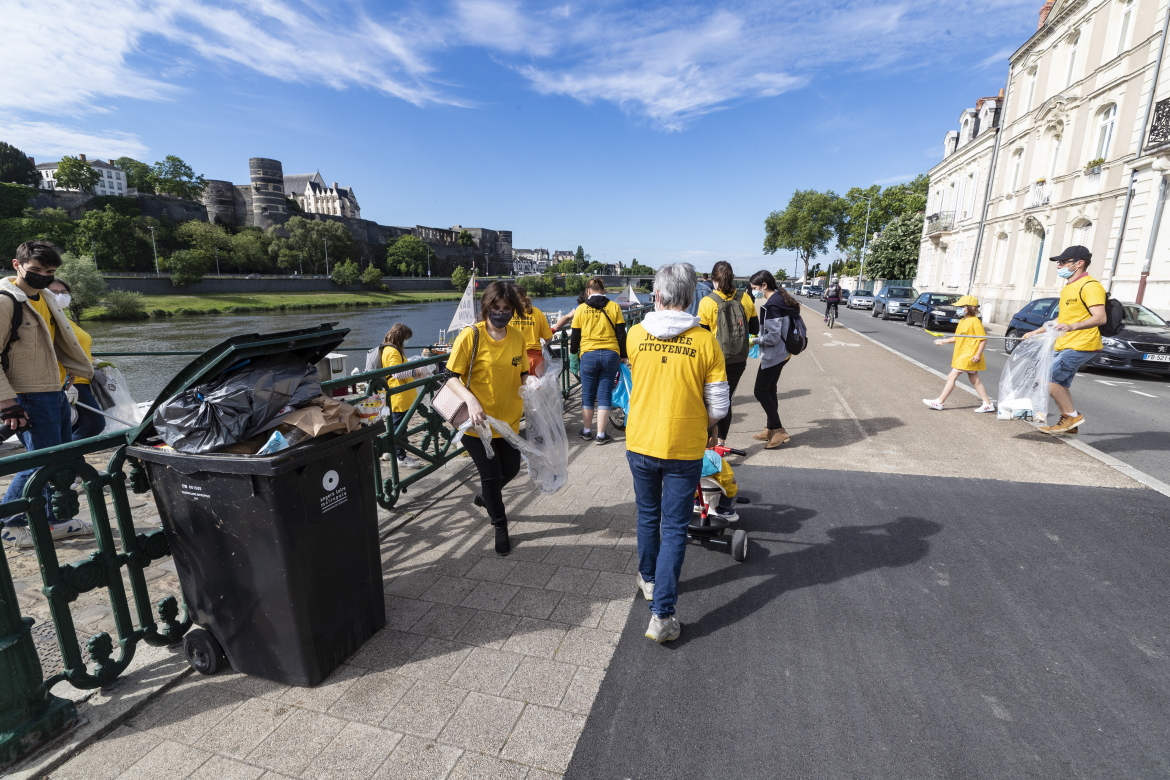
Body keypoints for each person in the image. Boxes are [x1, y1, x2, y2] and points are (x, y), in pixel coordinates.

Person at [625, 262, 729, 642]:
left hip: (640, 441)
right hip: (684, 447)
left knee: (648, 517)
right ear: (689, 299)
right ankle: (662, 617)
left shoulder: (635, 335)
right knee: (673, 529)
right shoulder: (705, 341)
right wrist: (707, 424)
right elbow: (718, 403)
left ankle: (649, 580)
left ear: (657, 296)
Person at [1, 241, 95, 548]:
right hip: (28, 394)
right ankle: (11, 523)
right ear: (17, 265)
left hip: (54, 390)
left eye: (50, 271)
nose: (43, 275)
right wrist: (8, 403)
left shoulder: (46, 298)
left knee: (58, 460)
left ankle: (50, 520)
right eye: (37, 270)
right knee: (40, 463)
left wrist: (70, 376)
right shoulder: (5, 302)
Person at [443, 281, 530, 556]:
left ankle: (484, 498)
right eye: (496, 307)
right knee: (491, 476)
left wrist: (532, 383)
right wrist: (470, 400)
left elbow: (523, 372)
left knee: (512, 469)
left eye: (507, 308)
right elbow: (450, 377)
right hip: (477, 423)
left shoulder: (517, 337)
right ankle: (500, 526)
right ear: (486, 308)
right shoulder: (471, 335)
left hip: (509, 420)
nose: (501, 313)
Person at [1022, 245, 1107, 434]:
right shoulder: (1069, 287)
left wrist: (1073, 326)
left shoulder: (1090, 286)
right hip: (1065, 343)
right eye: (1058, 262)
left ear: (1079, 263)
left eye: (1063, 262)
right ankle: (1069, 423)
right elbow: (1062, 318)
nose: (1059, 266)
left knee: (1047, 379)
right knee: (1060, 383)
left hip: (1082, 343)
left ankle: (1071, 416)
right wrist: (1036, 332)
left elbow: (1100, 317)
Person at [697, 261, 758, 446]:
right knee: (727, 398)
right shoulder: (746, 299)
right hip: (738, 358)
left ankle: (709, 440)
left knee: (708, 399)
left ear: (714, 279)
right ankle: (721, 442)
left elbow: (702, 336)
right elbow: (754, 328)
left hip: (714, 359)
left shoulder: (707, 302)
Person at [45, 279, 103, 441]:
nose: (61, 295)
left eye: (64, 292)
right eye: (55, 292)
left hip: (83, 378)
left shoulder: (65, 318)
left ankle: (73, 463)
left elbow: (74, 347)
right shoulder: (47, 318)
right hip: (69, 382)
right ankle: (64, 458)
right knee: (94, 424)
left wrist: (92, 360)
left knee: (74, 427)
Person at [570, 277, 626, 445]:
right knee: (604, 395)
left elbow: (575, 336)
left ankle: (587, 431)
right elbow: (621, 334)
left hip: (588, 355)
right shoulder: (614, 307)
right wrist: (623, 355)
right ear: (603, 290)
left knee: (587, 394)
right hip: (610, 355)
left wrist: (573, 352)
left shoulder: (581, 309)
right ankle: (601, 434)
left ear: (588, 291)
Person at [748, 271, 799, 448]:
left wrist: (753, 340)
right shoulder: (781, 299)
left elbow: (772, 337)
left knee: (760, 391)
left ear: (764, 286)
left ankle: (778, 430)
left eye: (754, 288)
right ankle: (770, 428)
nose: (753, 291)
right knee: (770, 390)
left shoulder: (772, 306)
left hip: (774, 354)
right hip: (784, 353)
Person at [922, 295, 995, 413]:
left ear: (971, 307)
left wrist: (977, 354)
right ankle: (987, 403)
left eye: (962, 306)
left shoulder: (974, 321)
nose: (959, 308)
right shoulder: (963, 321)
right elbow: (957, 337)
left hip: (968, 355)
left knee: (951, 376)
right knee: (975, 380)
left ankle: (940, 402)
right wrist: (944, 341)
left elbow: (983, 339)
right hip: (963, 354)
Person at [381, 323, 429, 470]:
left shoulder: (391, 349)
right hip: (398, 396)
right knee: (399, 428)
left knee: (396, 426)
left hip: (401, 395)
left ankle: (391, 451)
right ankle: (400, 457)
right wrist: (417, 371)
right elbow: (396, 373)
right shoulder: (392, 351)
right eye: (406, 338)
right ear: (401, 337)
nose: (407, 341)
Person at [512, 286, 554, 377]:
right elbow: (548, 338)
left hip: (513, 360)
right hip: (535, 362)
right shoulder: (537, 312)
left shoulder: (507, 312)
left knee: (514, 390)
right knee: (535, 390)